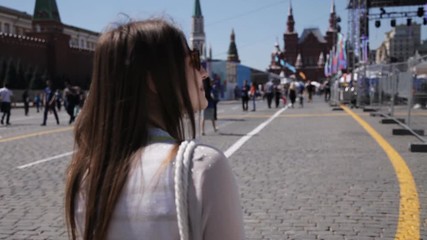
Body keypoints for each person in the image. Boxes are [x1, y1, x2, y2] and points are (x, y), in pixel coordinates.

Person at [64, 19, 244, 240]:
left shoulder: (85, 174)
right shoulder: (200, 167)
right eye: (193, 60)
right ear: (154, 79)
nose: (204, 73)